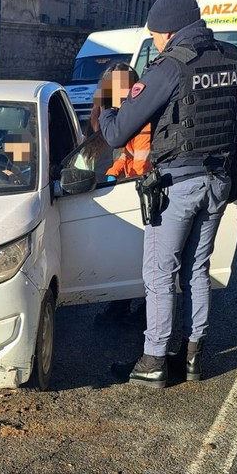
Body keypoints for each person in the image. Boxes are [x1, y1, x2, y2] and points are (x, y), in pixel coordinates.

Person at [98, 0, 237, 388]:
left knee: (159, 272)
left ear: (168, 31)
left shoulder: (171, 66)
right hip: (220, 181)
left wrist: (106, 111)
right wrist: (234, 171)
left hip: (178, 183)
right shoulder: (231, 60)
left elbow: (119, 133)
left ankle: (154, 360)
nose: (153, 41)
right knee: (197, 269)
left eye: (154, 35)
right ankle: (192, 356)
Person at [90, 62, 150, 327]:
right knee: (128, 252)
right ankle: (123, 304)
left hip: (146, 193)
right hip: (132, 188)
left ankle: (148, 310)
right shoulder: (120, 115)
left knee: (145, 255)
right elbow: (127, 155)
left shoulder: (141, 118)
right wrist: (115, 171)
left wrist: (128, 181)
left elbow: (142, 161)